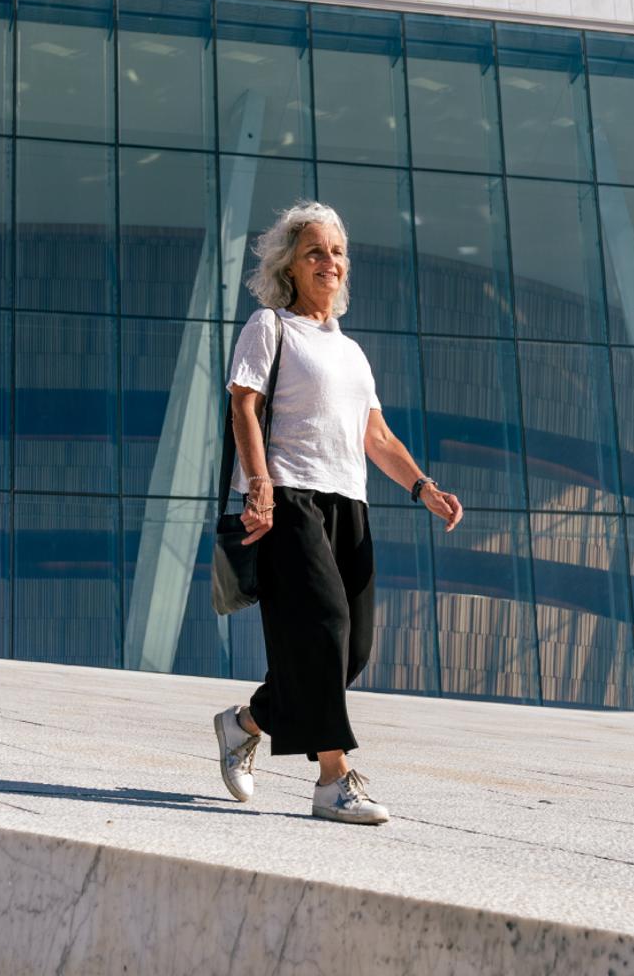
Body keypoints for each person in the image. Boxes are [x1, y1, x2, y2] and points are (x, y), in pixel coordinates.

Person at [211, 201, 464, 825]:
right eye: (315, 252)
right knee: (322, 627)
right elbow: (244, 407)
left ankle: (245, 723)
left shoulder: (350, 352)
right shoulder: (270, 327)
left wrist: (422, 486)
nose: (330, 261)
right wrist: (260, 484)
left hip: (349, 502)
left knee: (350, 651)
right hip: (289, 498)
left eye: (337, 252)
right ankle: (333, 779)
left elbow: (375, 436)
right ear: (290, 266)